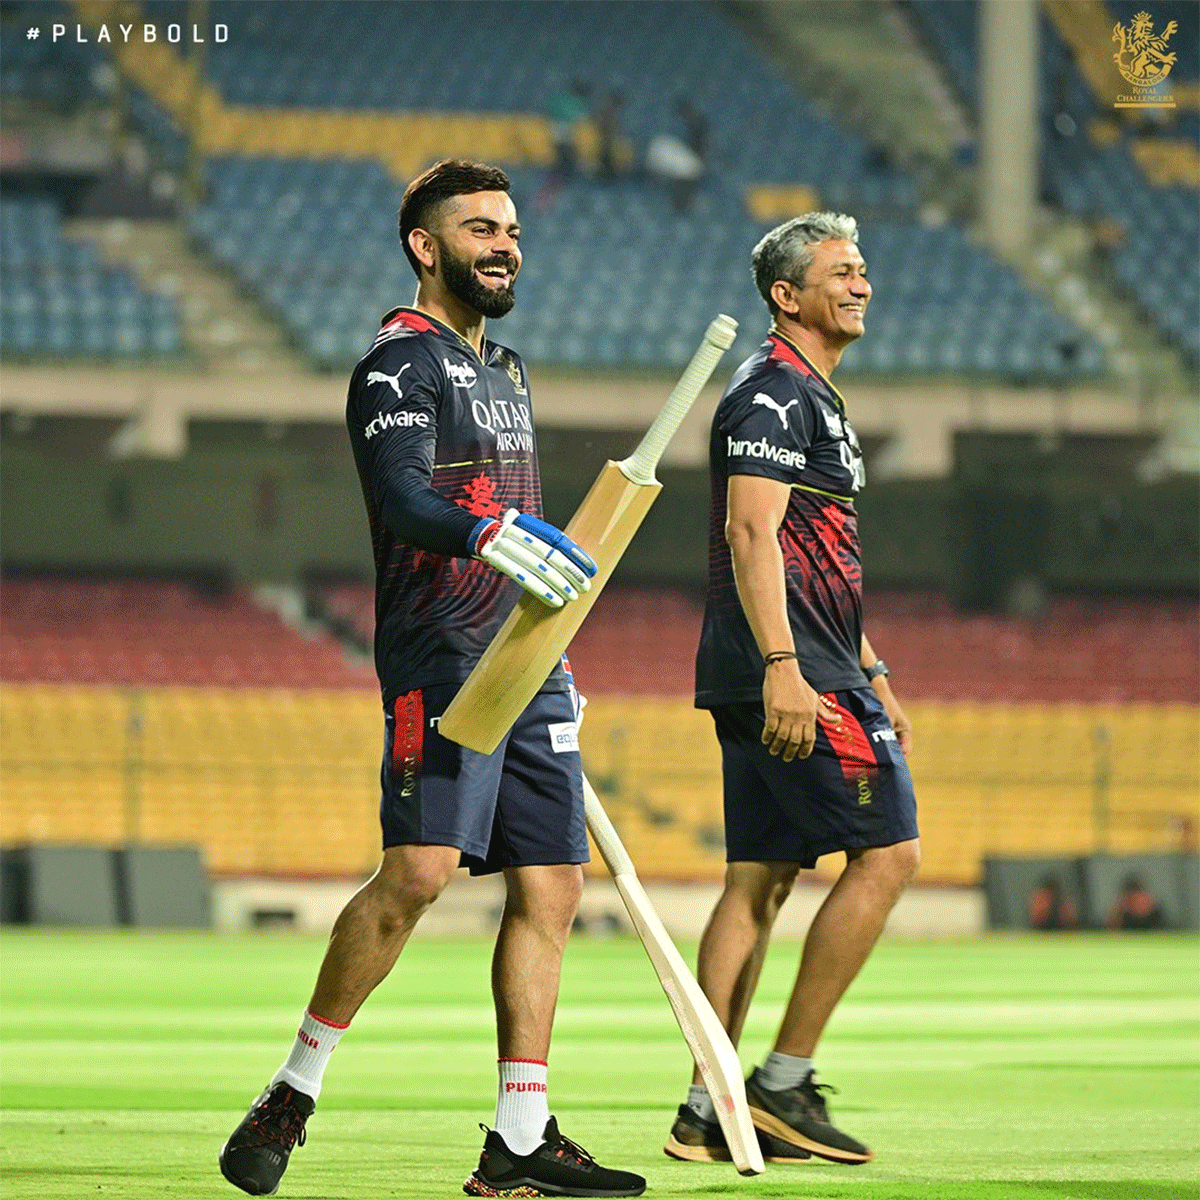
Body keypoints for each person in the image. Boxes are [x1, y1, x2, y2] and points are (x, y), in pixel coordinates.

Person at [219, 160, 644, 1200]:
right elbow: (408, 500)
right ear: (426, 245)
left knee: (553, 887)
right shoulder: (394, 368)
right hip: (439, 658)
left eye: (510, 229)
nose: (505, 244)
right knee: (416, 876)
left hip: (528, 661)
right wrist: (488, 531)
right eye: (481, 229)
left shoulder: (512, 371)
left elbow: (524, 522)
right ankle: (292, 1088)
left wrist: (554, 649)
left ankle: (521, 1138)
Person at [664, 213, 920, 1168]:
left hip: (803, 662)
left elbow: (824, 558)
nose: (860, 283)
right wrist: (788, 668)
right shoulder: (774, 393)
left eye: (863, 268)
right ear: (787, 295)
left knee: (760, 879)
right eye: (841, 271)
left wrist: (874, 666)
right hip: (790, 671)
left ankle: (707, 1102)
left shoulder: (811, 395)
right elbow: (751, 534)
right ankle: (780, 1083)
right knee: (889, 857)